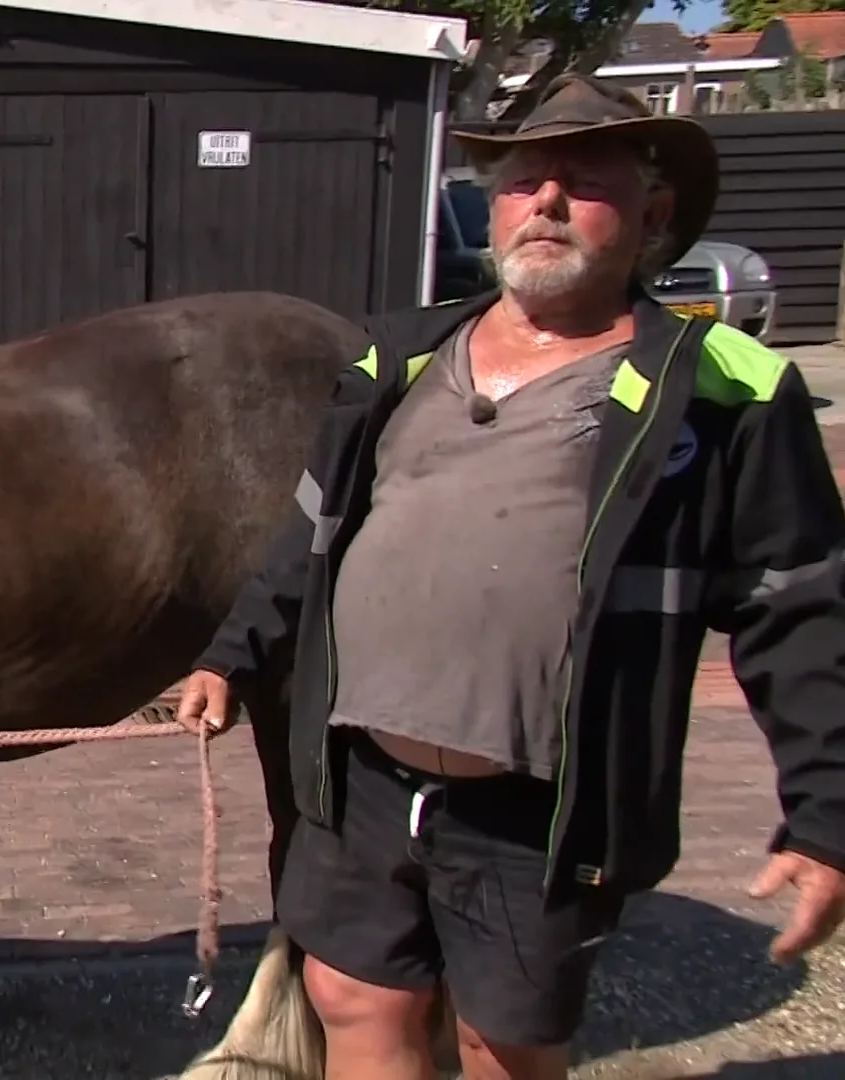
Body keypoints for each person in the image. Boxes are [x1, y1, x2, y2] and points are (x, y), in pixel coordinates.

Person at [175, 73, 845, 1080]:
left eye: (586, 181)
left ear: (655, 215)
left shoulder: (722, 389)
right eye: (525, 180)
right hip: (361, 777)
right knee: (352, 1000)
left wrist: (827, 812)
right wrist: (231, 655)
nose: (548, 201)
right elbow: (311, 531)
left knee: (505, 1043)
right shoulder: (398, 358)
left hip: (543, 804)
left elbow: (799, 608)